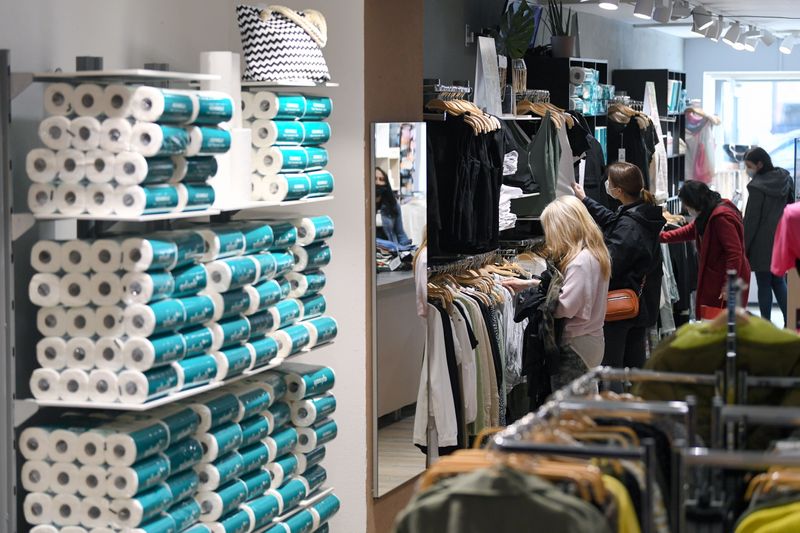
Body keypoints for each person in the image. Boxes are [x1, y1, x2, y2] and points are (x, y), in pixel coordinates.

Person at [572, 162, 665, 374]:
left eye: (610, 183)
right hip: (639, 303)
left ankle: (616, 405)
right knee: (633, 366)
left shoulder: (630, 224)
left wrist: (583, 255)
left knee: (612, 371)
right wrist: (585, 200)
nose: (607, 185)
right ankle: (635, 403)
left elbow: (611, 263)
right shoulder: (639, 212)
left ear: (619, 190)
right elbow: (614, 221)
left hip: (622, 307)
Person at [503, 196, 611, 369]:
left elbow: (565, 307)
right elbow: (576, 292)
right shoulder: (595, 254)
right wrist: (531, 284)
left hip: (575, 344)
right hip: (591, 339)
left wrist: (536, 303)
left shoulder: (579, 263)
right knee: (585, 393)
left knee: (570, 395)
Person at [660, 181, 750, 317]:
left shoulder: (720, 218)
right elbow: (689, 231)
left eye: (686, 204)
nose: (686, 208)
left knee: (722, 322)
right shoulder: (707, 212)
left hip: (726, 278)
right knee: (713, 319)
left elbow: (734, 253)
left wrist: (728, 284)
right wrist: (662, 237)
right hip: (717, 276)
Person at [743, 147, 794, 325]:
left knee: (764, 283)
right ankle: (791, 322)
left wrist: (744, 247)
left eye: (749, 166)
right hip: (781, 239)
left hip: (762, 243)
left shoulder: (756, 187)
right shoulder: (786, 178)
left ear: (760, 164)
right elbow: (791, 208)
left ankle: (765, 325)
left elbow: (751, 220)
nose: (747, 170)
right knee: (779, 282)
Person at [375, 167, 412, 246]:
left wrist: (406, 249)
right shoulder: (363, 207)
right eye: (375, 178)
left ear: (386, 183)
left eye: (381, 179)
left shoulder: (393, 205)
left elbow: (400, 233)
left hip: (390, 251)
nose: (377, 182)